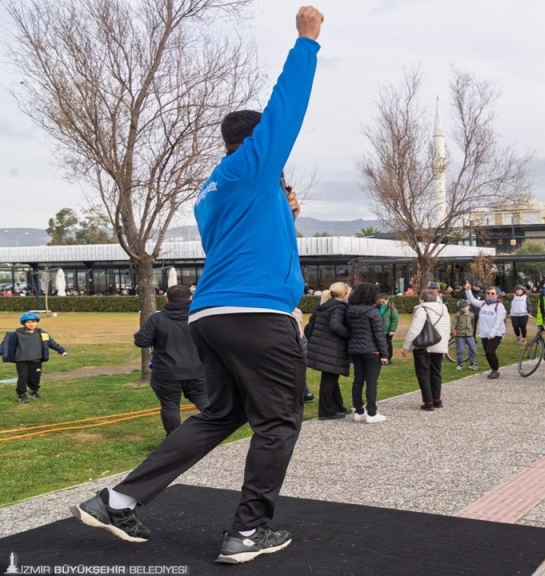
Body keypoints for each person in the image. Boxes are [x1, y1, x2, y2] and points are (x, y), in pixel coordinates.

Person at [70, 9, 324, 563]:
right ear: (258, 144)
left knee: (219, 414)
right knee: (279, 420)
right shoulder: (254, 166)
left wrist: (285, 207)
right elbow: (288, 107)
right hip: (256, 314)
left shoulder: (216, 188)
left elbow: (254, 242)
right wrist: (307, 42)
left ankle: (116, 500)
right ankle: (248, 532)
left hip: (212, 314)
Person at [133, 285, 210, 435]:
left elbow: (141, 340)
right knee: (203, 400)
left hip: (167, 372)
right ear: (190, 298)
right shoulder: (198, 317)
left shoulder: (157, 319)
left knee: (170, 405)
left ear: (167, 299)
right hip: (195, 369)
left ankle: (174, 438)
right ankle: (213, 430)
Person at [305, 282, 354, 420]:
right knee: (329, 379)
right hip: (332, 348)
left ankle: (338, 406)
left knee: (332, 377)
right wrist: (349, 334)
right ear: (344, 294)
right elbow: (335, 325)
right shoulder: (338, 307)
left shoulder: (326, 305)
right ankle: (326, 411)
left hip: (324, 347)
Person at [347, 282, 390, 421]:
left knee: (358, 379)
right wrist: (384, 354)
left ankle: (359, 411)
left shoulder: (350, 311)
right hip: (372, 350)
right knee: (371, 382)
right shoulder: (373, 312)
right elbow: (379, 335)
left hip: (355, 349)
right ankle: (371, 412)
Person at [2, 312, 68, 403]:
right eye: (28, 322)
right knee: (23, 377)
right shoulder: (16, 335)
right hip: (22, 361)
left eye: (33, 321)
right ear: (24, 323)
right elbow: (5, 346)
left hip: (36, 360)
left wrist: (61, 350)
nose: (31, 324)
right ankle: (21, 394)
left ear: (37, 322)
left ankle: (33, 392)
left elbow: (51, 343)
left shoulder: (43, 334)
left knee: (35, 377)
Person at [402, 288, 451, 409]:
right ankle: (437, 399)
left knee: (423, 373)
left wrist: (406, 346)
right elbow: (446, 328)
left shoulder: (422, 309)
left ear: (422, 299)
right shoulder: (444, 310)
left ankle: (428, 401)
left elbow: (415, 329)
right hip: (439, 343)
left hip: (424, 345)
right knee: (436, 371)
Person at [465, 282, 507, 379]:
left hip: (496, 333)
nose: (490, 295)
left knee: (490, 351)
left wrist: (493, 333)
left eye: (492, 293)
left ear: (496, 295)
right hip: (484, 333)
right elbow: (472, 300)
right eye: (488, 293)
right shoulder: (483, 304)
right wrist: (468, 290)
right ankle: (493, 368)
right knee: (487, 353)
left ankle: (495, 370)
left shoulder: (499, 306)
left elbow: (499, 321)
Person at [452, 300, 480, 371]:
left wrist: (471, 331)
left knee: (473, 349)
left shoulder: (471, 315)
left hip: (469, 334)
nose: (464, 308)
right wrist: (453, 330)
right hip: (460, 335)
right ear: (460, 308)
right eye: (462, 307)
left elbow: (473, 324)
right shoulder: (457, 315)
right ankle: (459, 364)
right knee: (460, 350)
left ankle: (472, 363)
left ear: (469, 307)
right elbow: (453, 324)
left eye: (466, 307)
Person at [377, 293, 399, 363]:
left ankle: (389, 358)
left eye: (383, 302)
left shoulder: (392, 309)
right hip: (379, 330)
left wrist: (392, 330)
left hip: (388, 330)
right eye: (380, 302)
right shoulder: (377, 307)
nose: (381, 303)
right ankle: (380, 357)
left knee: (388, 344)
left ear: (387, 300)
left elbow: (394, 320)